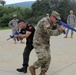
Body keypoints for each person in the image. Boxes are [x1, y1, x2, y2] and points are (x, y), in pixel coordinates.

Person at [29, 11, 65, 75]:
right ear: (51, 17)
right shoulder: (45, 22)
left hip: (45, 42)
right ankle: (33, 67)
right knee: (44, 57)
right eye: (56, 19)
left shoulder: (51, 22)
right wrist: (60, 30)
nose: (57, 20)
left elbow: (53, 27)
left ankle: (43, 72)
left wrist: (58, 26)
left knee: (48, 58)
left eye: (58, 19)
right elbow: (50, 32)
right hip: (39, 42)